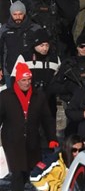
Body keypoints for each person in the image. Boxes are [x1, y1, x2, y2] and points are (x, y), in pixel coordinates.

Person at [0, 62, 57, 191]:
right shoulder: (6, 96)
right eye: (23, 80)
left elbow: (47, 119)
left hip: (32, 140)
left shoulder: (38, 96)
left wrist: (52, 138)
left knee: (31, 172)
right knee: (17, 173)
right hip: (12, 141)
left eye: (29, 80)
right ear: (17, 80)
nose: (26, 83)